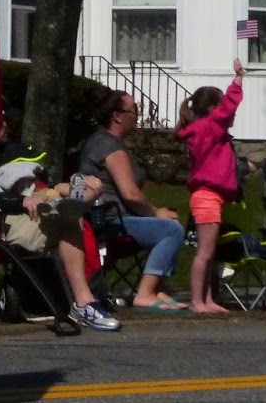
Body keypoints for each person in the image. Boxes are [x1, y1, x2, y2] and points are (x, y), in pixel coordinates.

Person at [0, 114, 118, 331]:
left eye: (5, 119)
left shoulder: (5, 151)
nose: (4, 124)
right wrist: (20, 200)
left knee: (67, 212)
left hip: (29, 211)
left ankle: (77, 198)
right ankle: (84, 303)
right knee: (68, 215)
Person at [78, 90, 186, 311]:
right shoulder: (108, 145)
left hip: (119, 218)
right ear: (117, 116)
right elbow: (130, 194)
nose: (138, 115)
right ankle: (145, 293)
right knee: (171, 229)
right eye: (134, 110)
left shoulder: (110, 143)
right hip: (108, 221)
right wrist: (156, 212)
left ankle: (157, 289)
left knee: (170, 222)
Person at [176, 58, 246, 314]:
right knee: (205, 253)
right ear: (213, 108)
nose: (231, 115)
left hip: (209, 196)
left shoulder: (206, 130)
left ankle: (206, 299)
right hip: (207, 197)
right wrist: (238, 80)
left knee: (209, 253)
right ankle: (197, 301)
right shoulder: (210, 127)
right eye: (225, 109)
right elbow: (228, 109)